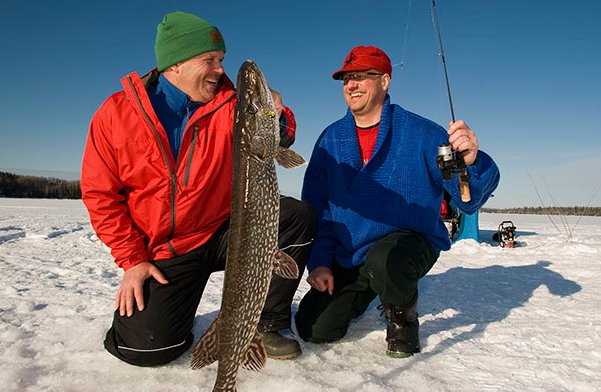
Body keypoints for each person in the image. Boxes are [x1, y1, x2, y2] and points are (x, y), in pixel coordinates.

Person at [81, 11, 314, 367]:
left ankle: (266, 322)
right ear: (175, 64)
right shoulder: (116, 114)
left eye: (221, 59)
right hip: (167, 249)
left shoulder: (231, 104)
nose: (220, 69)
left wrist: (275, 114)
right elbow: (101, 195)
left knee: (296, 216)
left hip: (223, 232)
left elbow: (278, 137)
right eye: (209, 60)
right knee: (146, 350)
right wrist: (133, 260)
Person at [295, 46, 500, 358]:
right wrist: (321, 261)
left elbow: (467, 201)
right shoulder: (330, 139)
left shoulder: (423, 134)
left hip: (408, 245)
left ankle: (402, 316)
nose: (352, 84)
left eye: (363, 76)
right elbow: (317, 207)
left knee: (386, 259)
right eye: (347, 78)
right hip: (352, 253)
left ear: (385, 81)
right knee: (314, 328)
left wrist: (472, 162)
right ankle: (365, 292)